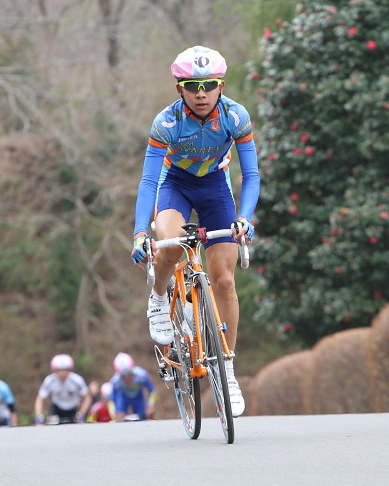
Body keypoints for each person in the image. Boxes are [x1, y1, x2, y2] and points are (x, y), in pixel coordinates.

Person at [130, 45, 260, 417]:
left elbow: (250, 174)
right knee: (170, 247)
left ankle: (228, 370)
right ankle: (159, 296)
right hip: (175, 184)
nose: (201, 93)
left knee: (224, 281)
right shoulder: (166, 123)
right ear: (180, 90)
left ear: (220, 86)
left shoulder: (235, 117)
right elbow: (149, 180)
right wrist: (141, 233)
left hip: (216, 187)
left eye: (209, 85)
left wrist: (246, 217)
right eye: (192, 85)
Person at [34, 354, 91, 425]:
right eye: (59, 370)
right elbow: (40, 399)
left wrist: (81, 413)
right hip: (56, 408)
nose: (62, 373)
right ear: (54, 370)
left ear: (69, 370)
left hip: (73, 409)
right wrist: (39, 417)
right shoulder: (49, 381)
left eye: (65, 370)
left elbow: (87, 398)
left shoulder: (77, 380)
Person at [109, 352, 156, 421]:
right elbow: (112, 400)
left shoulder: (141, 375)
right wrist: (112, 411)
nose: (127, 378)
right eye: (123, 376)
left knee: (141, 418)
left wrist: (150, 404)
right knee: (119, 416)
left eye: (129, 374)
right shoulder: (116, 381)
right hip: (123, 397)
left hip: (138, 397)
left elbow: (152, 391)